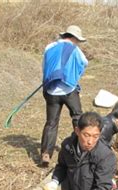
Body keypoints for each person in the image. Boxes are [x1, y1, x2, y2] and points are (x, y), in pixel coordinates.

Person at [40, 25, 89, 167]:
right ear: (74, 38)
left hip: (51, 90)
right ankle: (80, 148)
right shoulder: (75, 49)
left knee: (51, 122)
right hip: (68, 89)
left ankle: (46, 153)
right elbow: (84, 63)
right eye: (78, 40)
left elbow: (45, 66)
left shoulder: (49, 47)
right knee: (77, 117)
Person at [45, 111, 116, 190]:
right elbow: (62, 166)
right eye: (86, 135)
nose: (90, 141)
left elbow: (104, 188)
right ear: (77, 131)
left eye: (95, 136)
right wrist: (55, 181)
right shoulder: (68, 146)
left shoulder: (105, 156)